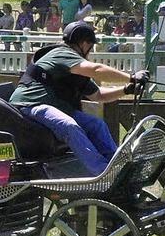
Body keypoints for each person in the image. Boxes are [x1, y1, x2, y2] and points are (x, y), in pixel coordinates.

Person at [9, 22, 149, 176]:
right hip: (30, 104)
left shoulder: (72, 68)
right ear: (84, 43)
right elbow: (96, 69)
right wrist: (131, 77)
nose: (90, 52)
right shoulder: (63, 54)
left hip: (54, 107)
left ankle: (117, 167)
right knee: (69, 125)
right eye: (91, 46)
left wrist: (126, 89)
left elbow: (98, 95)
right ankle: (102, 173)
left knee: (96, 124)